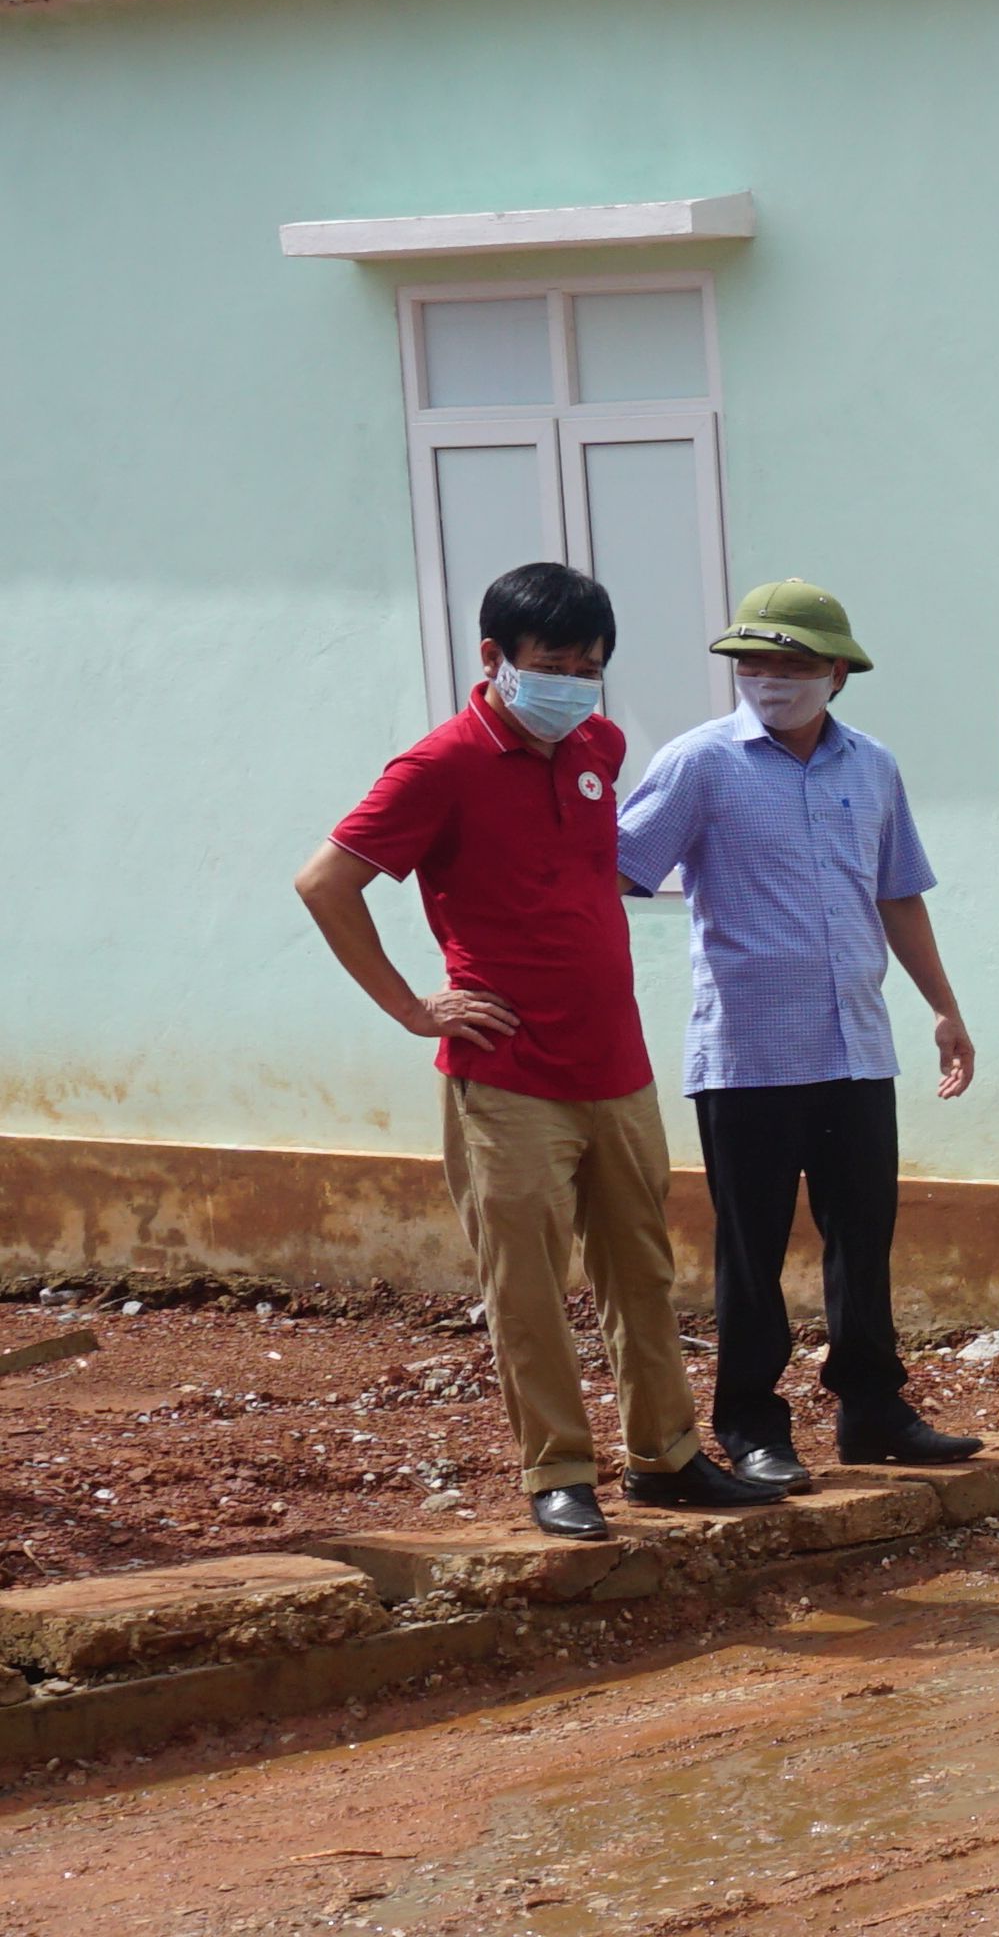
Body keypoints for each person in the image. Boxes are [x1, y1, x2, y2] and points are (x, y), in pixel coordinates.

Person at [294, 564, 784, 1543]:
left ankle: (668, 1458)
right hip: (508, 1072)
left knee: (641, 1270)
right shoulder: (437, 767)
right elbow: (325, 884)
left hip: (617, 1062)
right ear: (495, 658)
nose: (572, 682)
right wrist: (410, 1007)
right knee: (528, 1282)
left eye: (589, 665)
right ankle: (559, 1472)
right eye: (552, 664)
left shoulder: (598, 744)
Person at [613, 580, 985, 1493]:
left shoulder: (873, 766)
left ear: (837, 674)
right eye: (754, 665)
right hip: (748, 1052)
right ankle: (750, 1424)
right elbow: (616, 870)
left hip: (856, 1041)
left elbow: (898, 891)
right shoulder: (701, 763)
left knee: (864, 1236)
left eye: (793, 664)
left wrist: (943, 1005)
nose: (771, 681)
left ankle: (874, 1409)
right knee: (754, 1247)